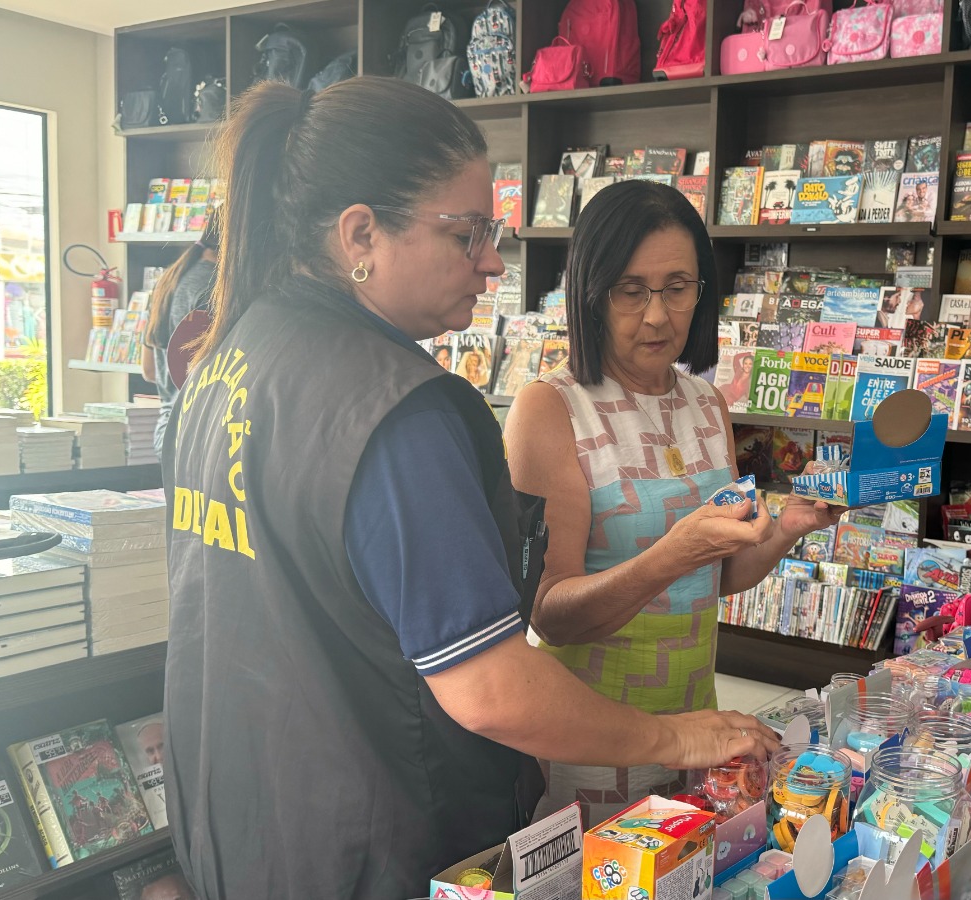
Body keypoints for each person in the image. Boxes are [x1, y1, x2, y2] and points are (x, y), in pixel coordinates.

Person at [165, 79, 777, 900]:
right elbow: (490, 687)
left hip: (246, 823)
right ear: (361, 234)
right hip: (370, 837)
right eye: (467, 234)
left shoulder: (229, 356)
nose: (492, 261)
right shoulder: (394, 408)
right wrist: (675, 739)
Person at [504, 180, 843, 823]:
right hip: (590, 741)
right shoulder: (550, 409)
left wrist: (785, 529)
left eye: (677, 287)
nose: (657, 315)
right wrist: (676, 551)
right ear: (591, 293)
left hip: (700, 728)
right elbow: (550, 615)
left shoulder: (705, 403)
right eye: (631, 290)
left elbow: (719, 575)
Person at [141, 220, 217, 456]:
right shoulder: (214, 288)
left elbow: (149, 370)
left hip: (166, 432)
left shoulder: (168, 282)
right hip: (198, 436)